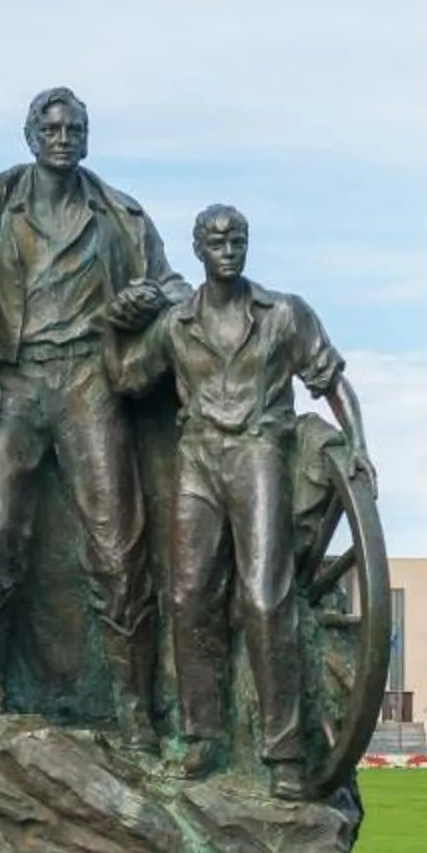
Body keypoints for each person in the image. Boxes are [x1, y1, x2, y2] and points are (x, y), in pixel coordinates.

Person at [0, 88, 184, 741]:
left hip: (89, 379)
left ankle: (136, 707)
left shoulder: (120, 216)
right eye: (51, 129)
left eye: (74, 129)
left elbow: (173, 286)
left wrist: (148, 298)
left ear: (86, 137)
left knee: (117, 544)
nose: (62, 138)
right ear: (30, 136)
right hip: (14, 382)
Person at [120, 205, 370, 801]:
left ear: (247, 245)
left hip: (258, 452)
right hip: (198, 459)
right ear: (199, 251)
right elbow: (127, 377)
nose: (228, 250)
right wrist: (116, 322)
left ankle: (283, 752)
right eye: (216, 242)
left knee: (265, 597)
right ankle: (201, 736)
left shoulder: (283, 313)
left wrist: (358, 442)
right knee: (188, 597)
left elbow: (330, 380)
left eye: (236, 240)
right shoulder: (177, 324)